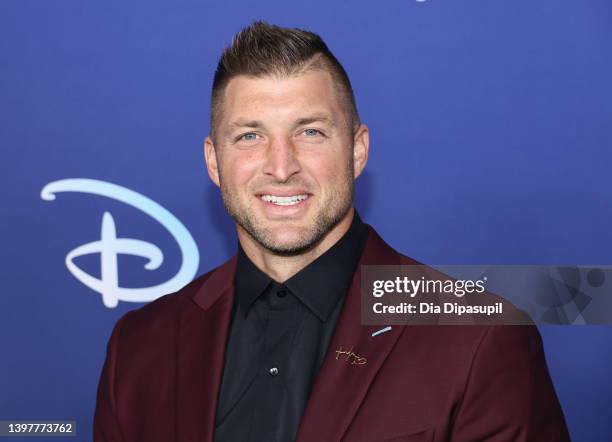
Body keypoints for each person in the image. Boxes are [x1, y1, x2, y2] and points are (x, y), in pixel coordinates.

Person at [94, 21, 570, 442]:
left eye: (311, 132)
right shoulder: (139, 348)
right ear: (214, 161)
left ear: (358, 150)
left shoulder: (476, 337)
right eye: (250, 136)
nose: (281, 168)